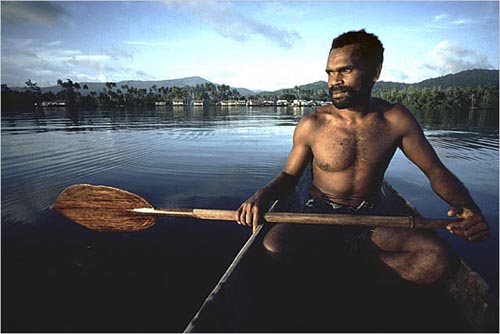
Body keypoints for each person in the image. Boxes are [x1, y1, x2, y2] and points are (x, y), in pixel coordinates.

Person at [234, 29, 490, 285]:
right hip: (320, 215)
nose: (334, 80)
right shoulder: (312, 124)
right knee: (273, 248)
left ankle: (344, 268)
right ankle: (354, 271)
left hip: (371, 218)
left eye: (345, 70)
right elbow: (290, 177)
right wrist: (262, 195)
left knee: (437, 258)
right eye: (330, 73)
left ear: (374, 73)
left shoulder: (395, 119)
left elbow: (435, 171)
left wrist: (468, 207)